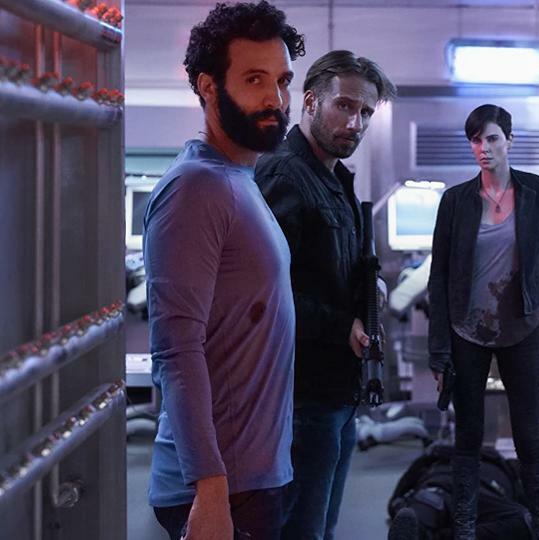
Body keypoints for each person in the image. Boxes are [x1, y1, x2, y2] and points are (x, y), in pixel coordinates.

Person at [143, 2, 304, 539]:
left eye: (282, 80)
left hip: (254, 475)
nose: (275, 98)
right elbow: (175, 350)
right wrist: (210, 490)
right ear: (208, 87)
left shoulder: (238, 179)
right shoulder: (195, 187)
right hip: (222, 488)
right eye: (254, 79)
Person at [255, 49, 396, 540]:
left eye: (365, 112)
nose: (355, 123)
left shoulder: (334, 178)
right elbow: (263, 295)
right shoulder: (283, 175)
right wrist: (342, 325)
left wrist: (369, 289)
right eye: (345, 106)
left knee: (320, 528)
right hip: (302, 396)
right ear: (311, 102)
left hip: (337, 391)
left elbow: (328, 271)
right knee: (302, 530)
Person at [427, 104, 539, 540]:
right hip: (466, 330)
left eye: (491, 138)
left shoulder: (537, 192)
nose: (483, 148)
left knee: (529, 433)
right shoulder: (456, 201)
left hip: (521, 327)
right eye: (475, 140)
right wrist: (438, 350)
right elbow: (439, 276)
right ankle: (465, 528)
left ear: (509, 140)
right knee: (468, 433)